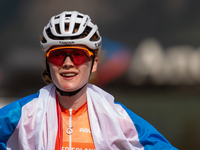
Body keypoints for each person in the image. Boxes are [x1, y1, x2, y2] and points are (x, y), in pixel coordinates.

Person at [0, 11, 178, 150]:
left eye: (78, 55)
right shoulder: (21, 115)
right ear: (48, 63)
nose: (68, 63)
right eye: (58, 55)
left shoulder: (118, 118)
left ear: (94, 64)